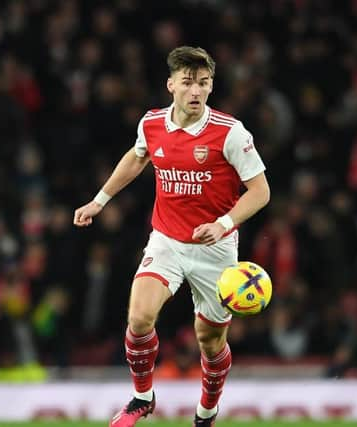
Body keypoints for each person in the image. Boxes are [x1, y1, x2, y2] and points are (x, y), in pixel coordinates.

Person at [73, 46, 270, 427]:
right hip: (166, 241)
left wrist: (223, 223)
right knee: (139, 317)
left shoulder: (230, 133)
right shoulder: (151, 124)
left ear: (211, 87)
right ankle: (142, 398)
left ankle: (207, 411)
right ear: (171, 85)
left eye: (204, 83)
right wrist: (100, 200)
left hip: (215, 251)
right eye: (188, 82)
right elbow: (137, 156)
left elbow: (261, 192)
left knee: (209, 342)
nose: (196, 90)